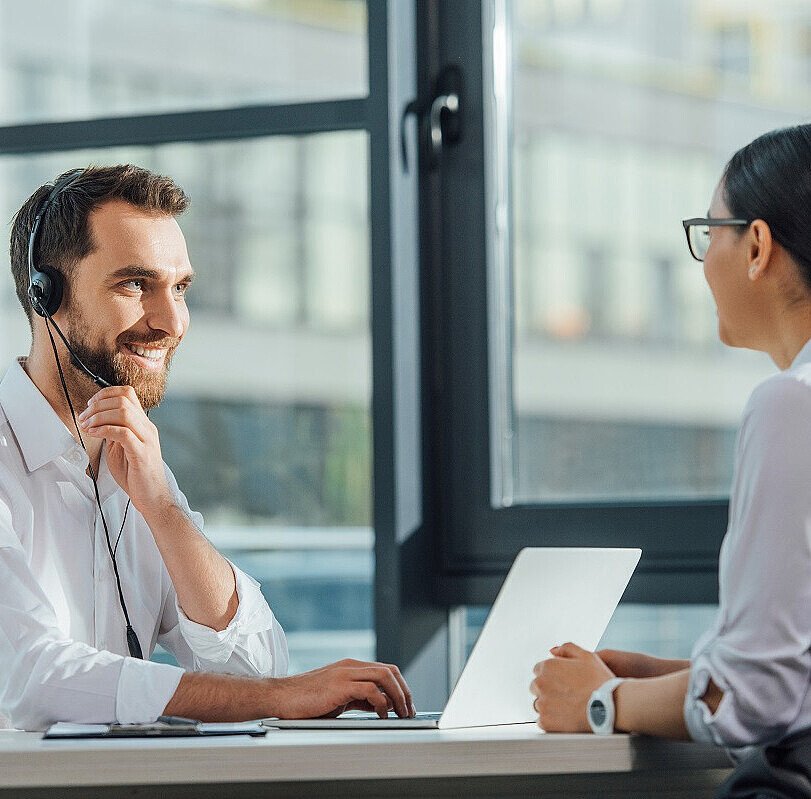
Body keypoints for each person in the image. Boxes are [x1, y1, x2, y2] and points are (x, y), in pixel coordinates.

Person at [0, 165, 414, 731]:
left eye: (179, 288)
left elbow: (257, 670)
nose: (171, 321)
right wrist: (279, 695)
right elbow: (29, 678)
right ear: (46, 294)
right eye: (134, 284)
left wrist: (164, 512)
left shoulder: (132, 459)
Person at [531, 125, 811, 760]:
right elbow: (790, 684)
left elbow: (752, 702)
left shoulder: (791, 403)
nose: (706, 259)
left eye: (710, 232)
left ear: (758, 246)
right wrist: (659, 677)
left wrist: (598, 702)